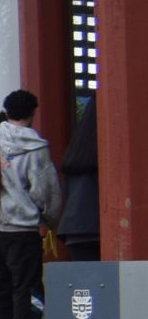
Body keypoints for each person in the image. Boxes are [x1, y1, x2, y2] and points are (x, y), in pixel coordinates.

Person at [0, 88, 62, 319]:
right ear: (32, 112)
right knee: (27, 288)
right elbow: (45, 190)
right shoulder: (35, 146)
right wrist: (48, 219)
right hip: (23, 228)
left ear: (7, 110)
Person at [60, 93, 99, 263]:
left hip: (74, 230)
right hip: (97, 228)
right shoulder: (104, 154)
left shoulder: (74, 153)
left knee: (87, 279)